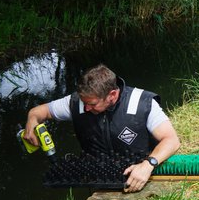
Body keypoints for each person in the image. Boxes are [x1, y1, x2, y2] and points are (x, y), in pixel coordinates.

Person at [24, 64, 181, 192]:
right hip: (98, 179)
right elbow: (39, 112)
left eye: (92, 104)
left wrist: (148, 165)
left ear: (112, 95)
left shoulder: (143, 103)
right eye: (84, 102)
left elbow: (172, 140)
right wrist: (32, 121)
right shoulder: (78, 102)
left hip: (140, 176)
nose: (85, 108)